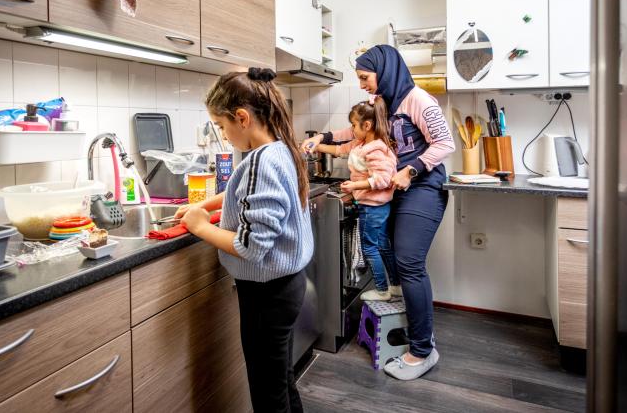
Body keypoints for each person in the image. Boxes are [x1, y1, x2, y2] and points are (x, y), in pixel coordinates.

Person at [302, 44, 454, 380]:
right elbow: (354, 132)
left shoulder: (418, 100)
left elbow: (445, 143)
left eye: (364, 77)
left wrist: (411, 169)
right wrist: (320, 138)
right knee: (399, 259)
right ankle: (414, 328)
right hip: (395, 188)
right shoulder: (379, 102)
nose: (362, 84)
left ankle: (422, 352)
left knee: (410, 262)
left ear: (383, 71)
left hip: (423, 187)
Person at [177, 67, 312, 412]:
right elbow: (243, 195)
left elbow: (251, 246)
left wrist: (200, 226)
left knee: (267, 394)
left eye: (222, 127)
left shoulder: (259, 163)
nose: (224, 135)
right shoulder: (281, 150)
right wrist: (202, 206)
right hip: (286, 287)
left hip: (267, 295)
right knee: (280, 381)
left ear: (242, 118)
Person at [311, 96, 400, 301]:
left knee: (370, 247)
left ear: (367, 125)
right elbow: (339, 149)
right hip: (378, 206)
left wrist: (354, 185)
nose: (351, 130)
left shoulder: (376, 148)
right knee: (383, 245)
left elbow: (384, 179)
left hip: (372, 207)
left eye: (354, 125)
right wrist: (316, 145)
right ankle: (395, 287)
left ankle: (382, 290)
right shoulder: (361, 143)